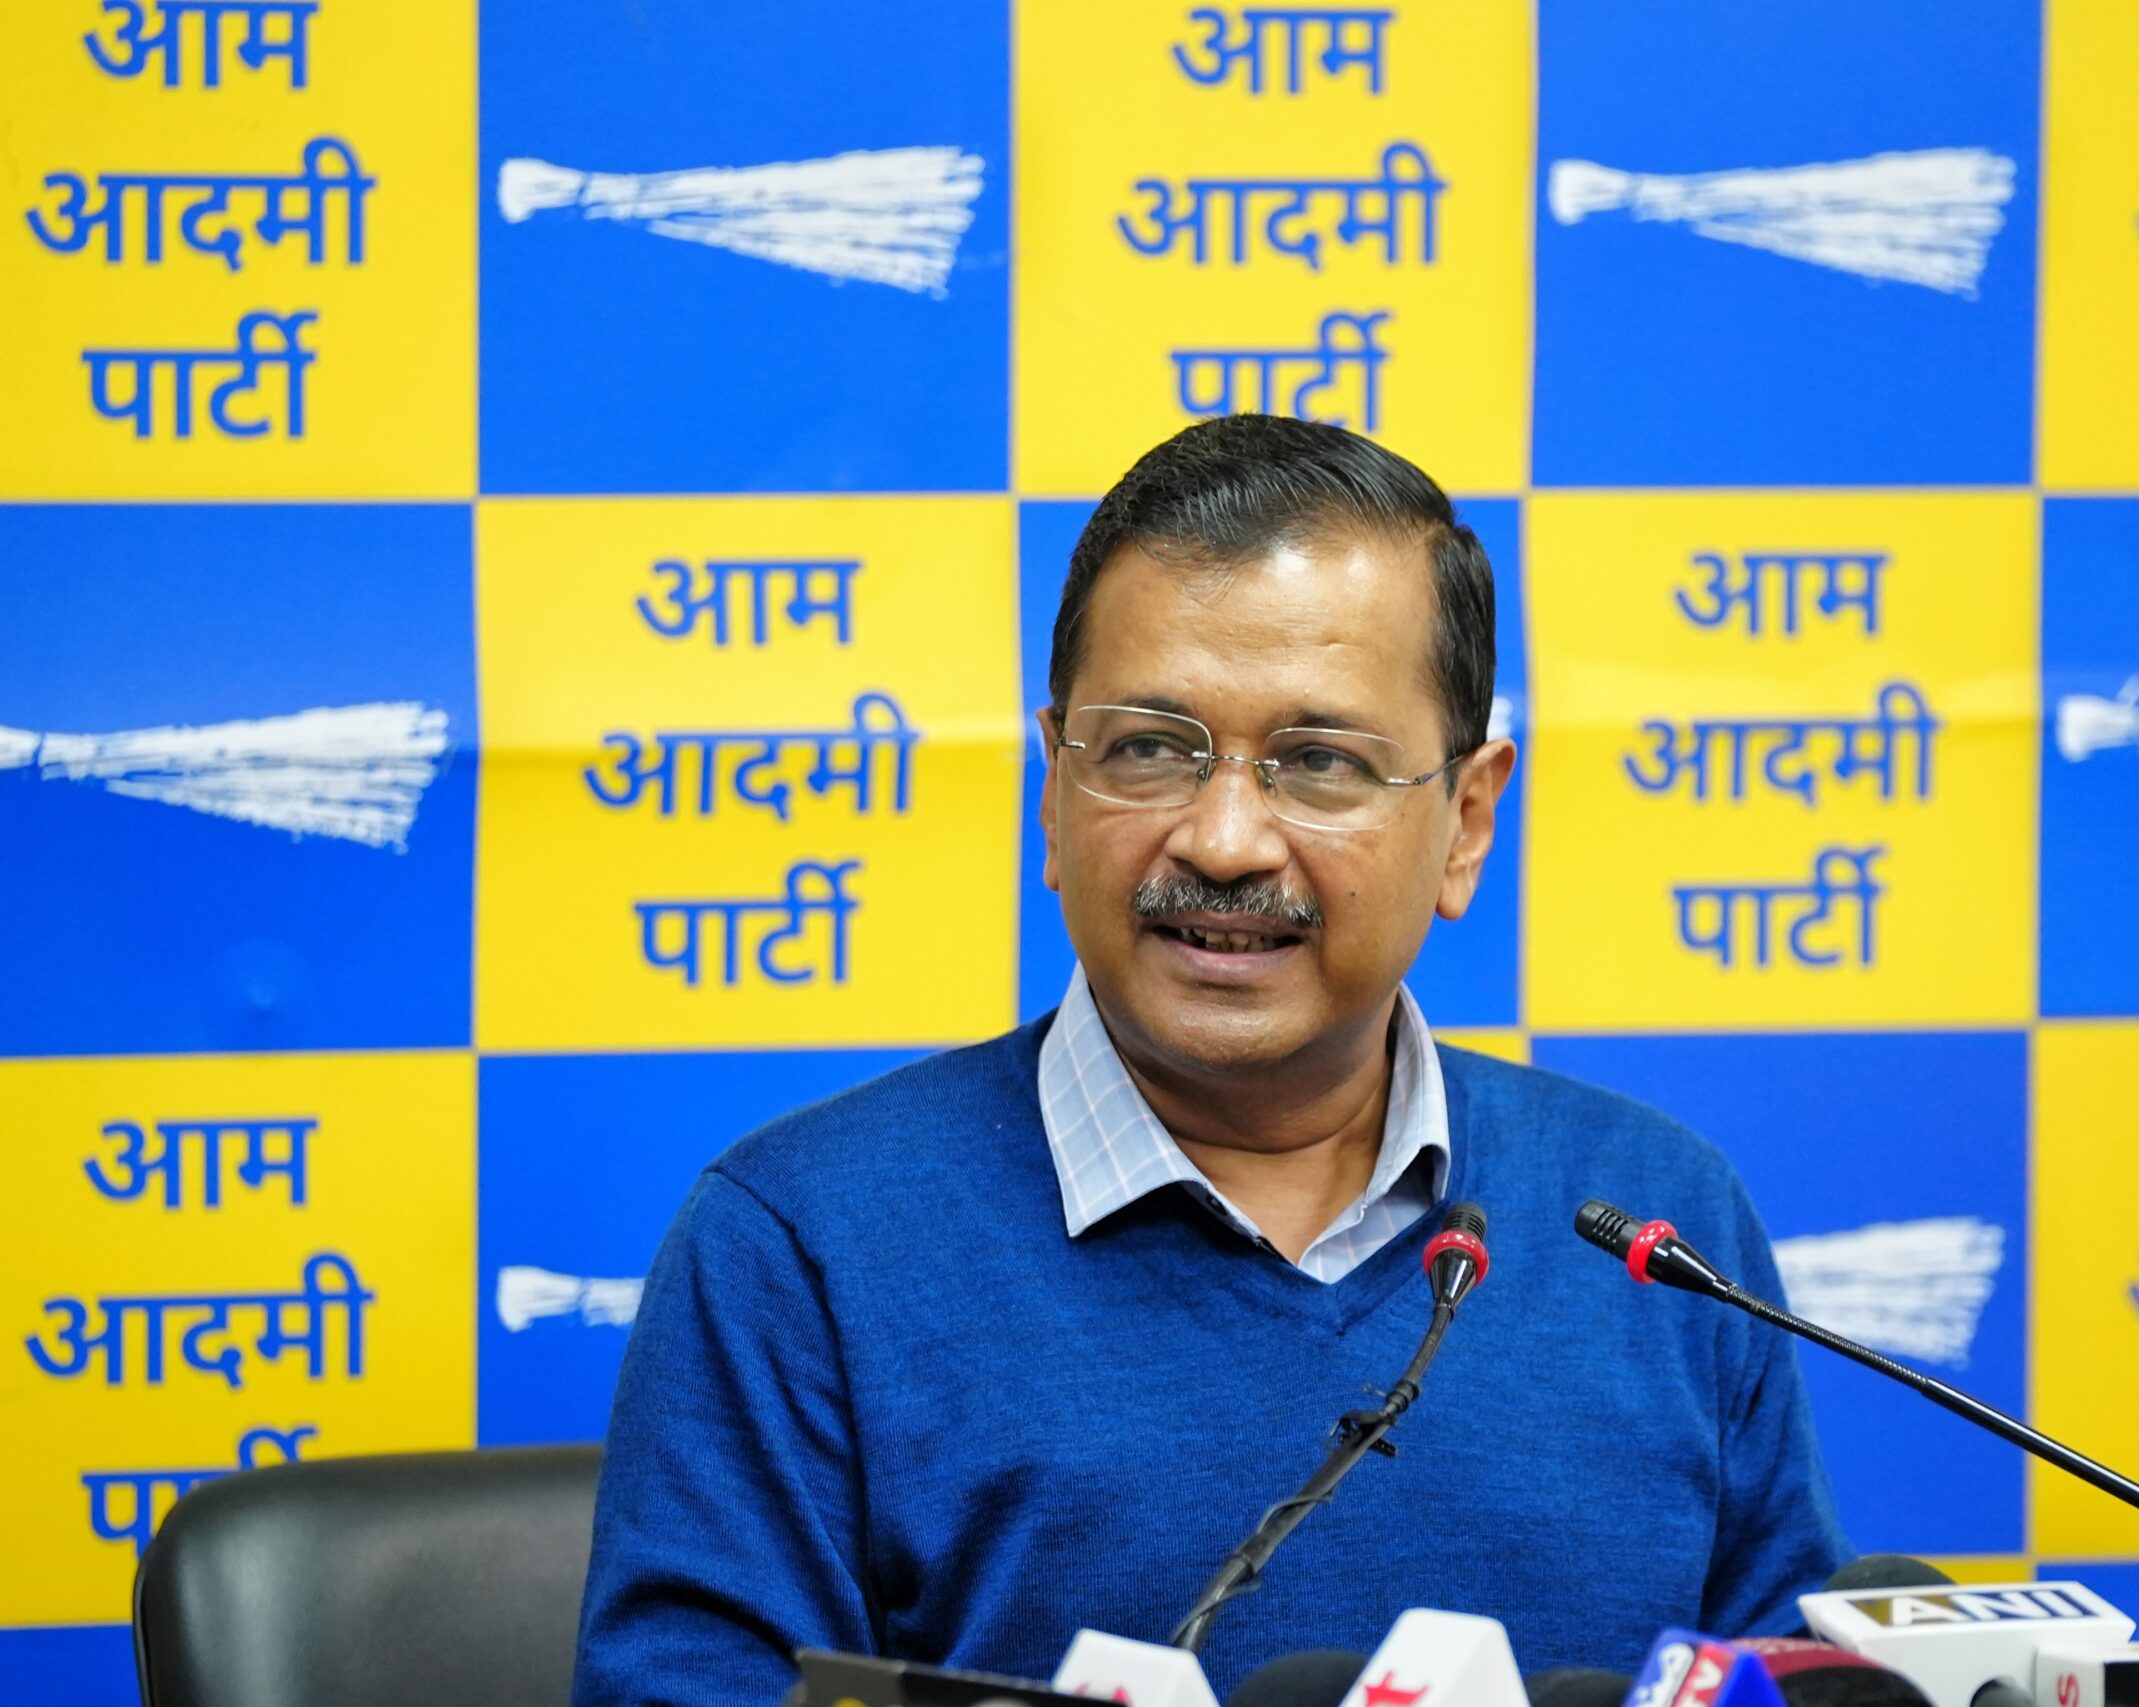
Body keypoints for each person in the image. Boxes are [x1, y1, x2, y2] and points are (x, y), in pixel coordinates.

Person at [571, 415, 1849, 1705]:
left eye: (1320, 763)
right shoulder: (802, 1243)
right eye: (1148, 750)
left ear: (1465, 822)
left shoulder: (1650, 1222)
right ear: (1053, 791)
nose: (1226, 841)